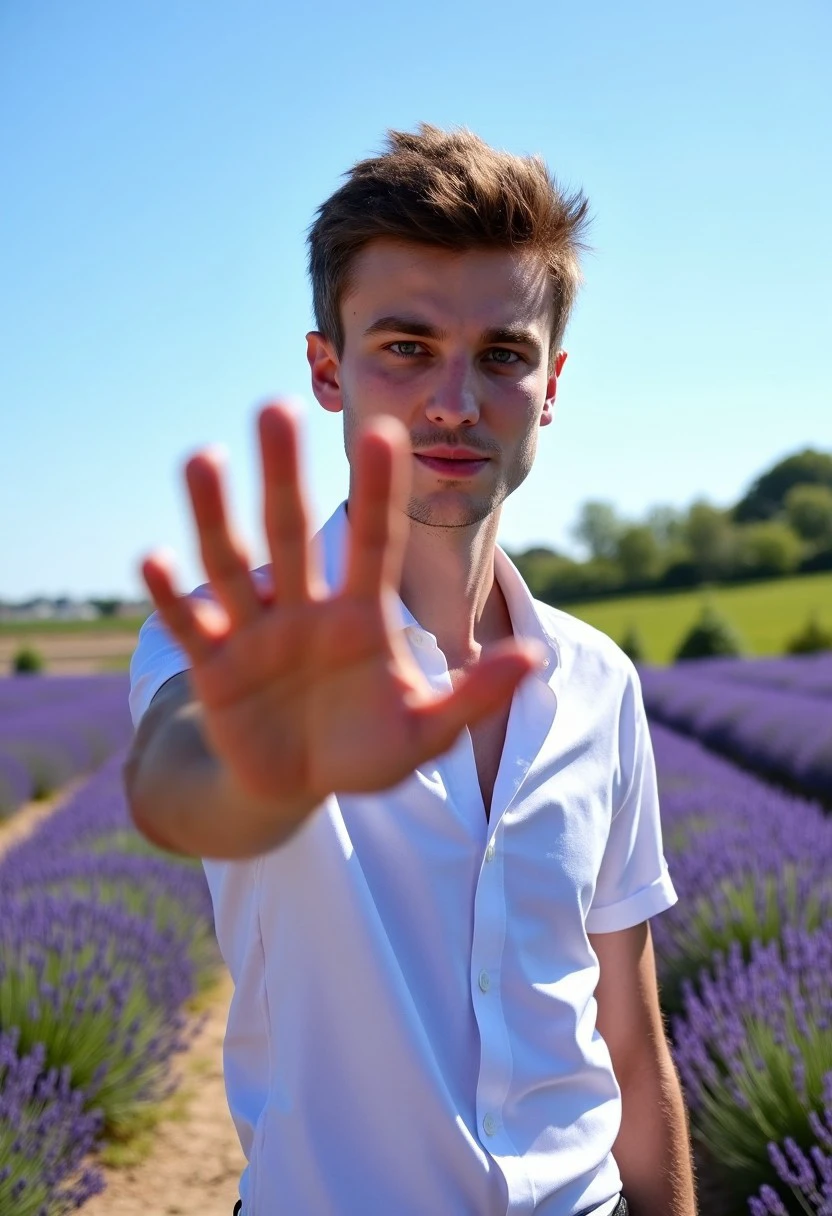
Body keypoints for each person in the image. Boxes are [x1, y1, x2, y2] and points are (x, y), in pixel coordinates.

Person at [125, 124, 698, 1216]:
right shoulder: (235, 642)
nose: (454, 400)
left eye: (500, 354)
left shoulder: (597, 680)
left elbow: (625, 1029)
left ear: (551, 382)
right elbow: (178, 781)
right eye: (405, 347)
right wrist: (267, 760)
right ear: (326, 370)